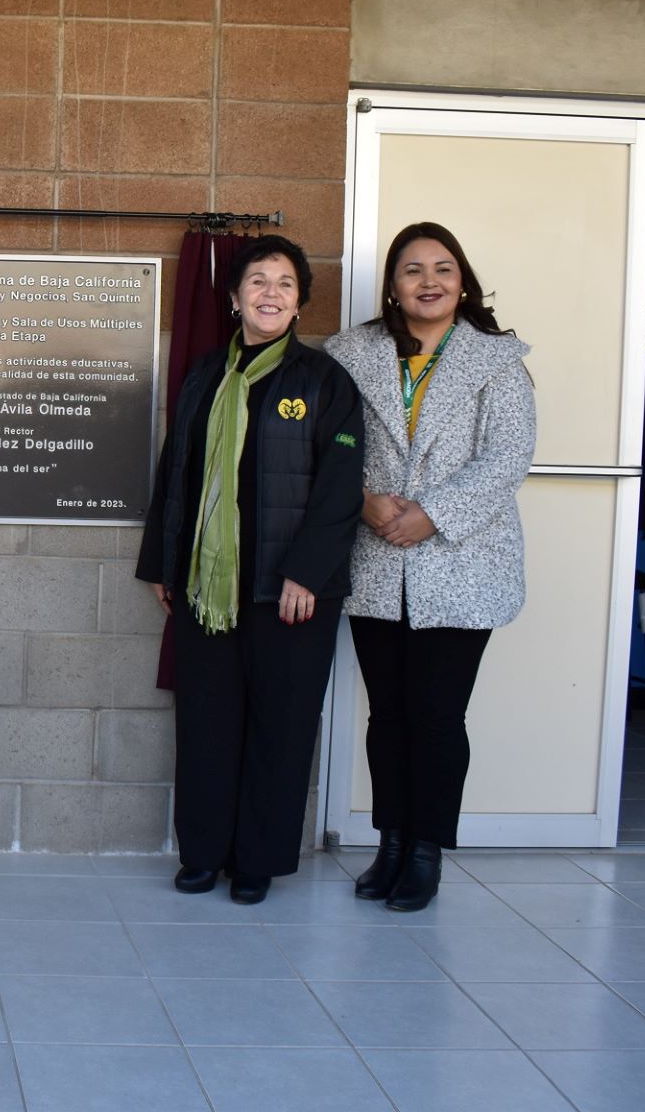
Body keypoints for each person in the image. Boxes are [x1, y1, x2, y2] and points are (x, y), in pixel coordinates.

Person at [137, 234, 363, 905]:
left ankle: (258, 860)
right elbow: (176, 472)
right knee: (206, 724)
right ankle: (203, 854)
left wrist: (307, 573)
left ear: (300, 305)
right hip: (209, 591)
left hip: (288, 595)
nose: (271, 293)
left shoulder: (323, 382)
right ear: (235, 299)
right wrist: (164, 561)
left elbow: (339, 488)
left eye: (286, 284)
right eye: (258, 281)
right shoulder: (205, 375)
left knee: (280, 726)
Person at [325, 222, 535, 911]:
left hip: (462, 562)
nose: (429, 281)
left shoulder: (497, 361)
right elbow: (326, 444)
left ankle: (425, 853)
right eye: (413, 270)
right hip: (376, 556)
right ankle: (390, 843)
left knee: (438, 716)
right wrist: (361, 502)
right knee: (388, 715)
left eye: (443, 269)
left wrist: (431, 514)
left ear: (464, 282)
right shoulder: (351, 354)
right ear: (392, 286)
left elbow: (507, 458)